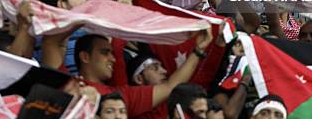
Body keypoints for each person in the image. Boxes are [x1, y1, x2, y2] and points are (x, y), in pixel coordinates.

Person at [74, 29, 212, 118]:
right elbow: (52, 43)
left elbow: (170, 87)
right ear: (85, 57)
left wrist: (198, 50)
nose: (113, 58)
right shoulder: (68, 86)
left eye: (120, 111)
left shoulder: (122, 94)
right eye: (105, 53)